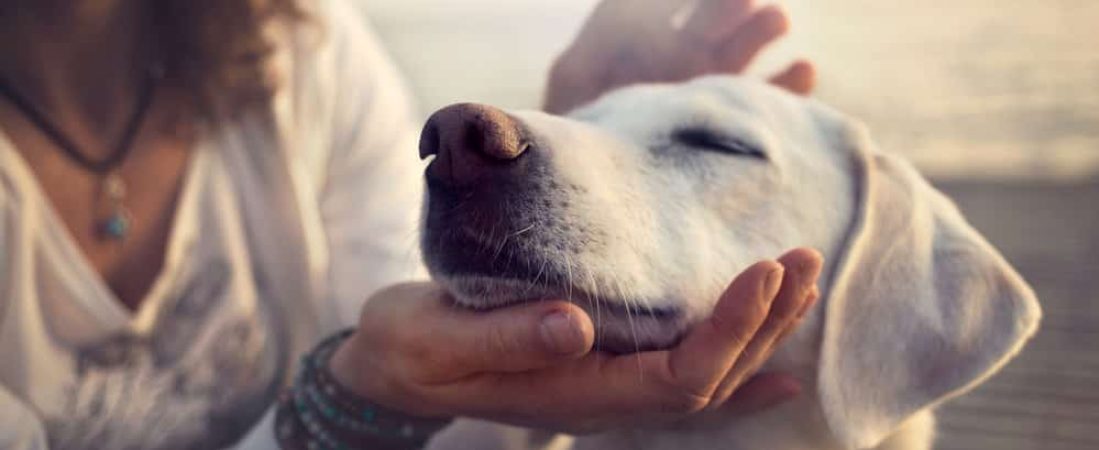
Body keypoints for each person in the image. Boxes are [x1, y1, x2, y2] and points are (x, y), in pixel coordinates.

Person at [0, 0, 821, 448]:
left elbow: (441, 398)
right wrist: (351, 398)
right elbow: (392, 374)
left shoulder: (302, 51)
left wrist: (577, 172)